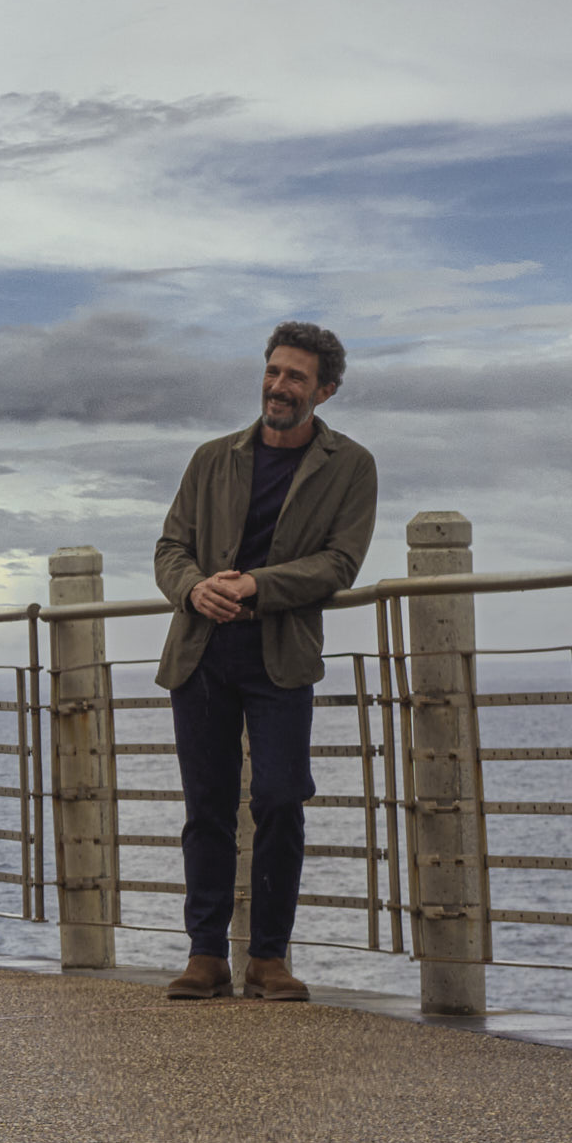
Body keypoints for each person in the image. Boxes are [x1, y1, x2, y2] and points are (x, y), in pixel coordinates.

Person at [149, 322, 377, 1004]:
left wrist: (256, 585)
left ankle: (269, 959)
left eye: (296, 377)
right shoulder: (212, 457)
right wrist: (193, 586)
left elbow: (340, 561)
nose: (279, 386)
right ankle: (205, 955)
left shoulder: (352, 466)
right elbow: (170, 546)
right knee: (208, 806)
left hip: (281, 654)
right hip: (202, 650)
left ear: (325, 391)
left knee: (280, 797)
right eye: (274, 372)